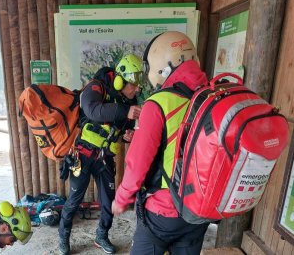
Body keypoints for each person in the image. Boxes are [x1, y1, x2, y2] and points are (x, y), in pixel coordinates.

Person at [112, 31, 210, 255]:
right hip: (200, 210)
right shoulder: (210, 96)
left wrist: (122, 198)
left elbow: (138, 163)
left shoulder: (158, 103)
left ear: (160, 66)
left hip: (163, 211)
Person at [58, 54, 143, 255]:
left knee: (108, 201)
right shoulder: (97, 87)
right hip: (83, 155)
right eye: (134, 84)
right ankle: (63, 237)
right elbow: (93, 110)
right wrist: (125, 110)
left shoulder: (129, 100)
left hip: (105, 158)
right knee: (74, 199)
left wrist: (127, 136)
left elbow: (121, 129)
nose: (137, 89)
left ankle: (101, 235)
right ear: (121, 80)